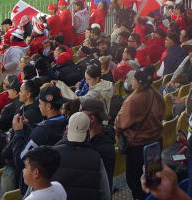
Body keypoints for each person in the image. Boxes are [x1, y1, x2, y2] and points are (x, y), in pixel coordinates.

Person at [114, 66, 163, 200]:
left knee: (136, 181)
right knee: (152, 178)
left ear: (138, 82)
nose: (132, 81)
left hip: (139, 147)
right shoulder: (157, 93)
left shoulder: (132, 100)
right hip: (156, 141)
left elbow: (119, 124)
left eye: (134, 79)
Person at [51, 112, 111, 200]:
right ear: (88, 131)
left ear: (67, 128)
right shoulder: (96, 158)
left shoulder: (52, 153)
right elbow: (105, 195)